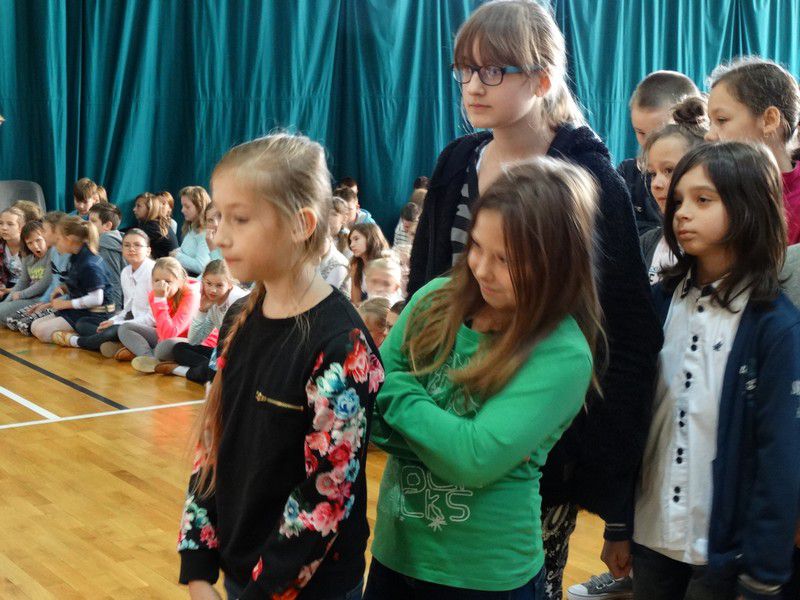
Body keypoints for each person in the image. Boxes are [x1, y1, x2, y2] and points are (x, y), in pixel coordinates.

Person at [406, 3, 662, 597]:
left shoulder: (588, 178)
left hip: (538, 444)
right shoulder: (456, 161)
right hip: (445, 418)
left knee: (517, 580)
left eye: (494, 71)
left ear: (543, 79)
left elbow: (626, 334)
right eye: (465, 70)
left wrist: (599, 477)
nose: (473, 86)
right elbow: (424, 291)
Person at [364, 157, 600, 599]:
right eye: (476, 246)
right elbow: (370, 411)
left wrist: (398, 391)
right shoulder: (436, 299)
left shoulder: (562, 353)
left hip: (486, 577)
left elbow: (471, 458)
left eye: (506, 259)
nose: (482, 269)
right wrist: (440, 438)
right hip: (397, 555)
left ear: (557, 263)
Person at [177, 133, 383, 600]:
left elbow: (326, 494)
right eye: (218, 217)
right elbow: (213, 443)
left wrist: (260, 592)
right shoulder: (241, 316)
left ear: (300, 224)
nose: (219, 236)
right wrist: (198, 564)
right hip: (242, 575)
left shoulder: (341, 345)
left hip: (307, 588)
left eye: (240, 219)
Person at [631, 141, 800, 600]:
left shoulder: (775, 327)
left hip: (723, 552)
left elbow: (779, 456)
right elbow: (635, 420)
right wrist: (617, 525)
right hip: (651, 533)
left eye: (703, 200)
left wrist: (764, 572)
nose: (681, 213)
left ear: (747, 208)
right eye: (679, 200)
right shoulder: (660, 301)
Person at [706, 56, 800, 244]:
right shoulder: (710, 187)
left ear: (769, 120)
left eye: (722, 120)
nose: (709, 135)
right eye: (710, 122)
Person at [618, 71, 701, 235]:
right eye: (640, 132)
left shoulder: (708, 175)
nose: (647, 143)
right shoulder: (627, 173)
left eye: (658, 133)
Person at [52, 228, 155, 354]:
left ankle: (78, 342)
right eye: (127, 245)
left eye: (137, 245)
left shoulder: (153, 273)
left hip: (151, 327)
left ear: (148, 250)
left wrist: (119, 323)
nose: (131, 249)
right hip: (131, 323)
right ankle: (120, 345)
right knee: (82, 323)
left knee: (118, 329)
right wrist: (114, 320)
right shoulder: (126, 272)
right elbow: (127, 309)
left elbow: (152, 318)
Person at [30, 216, 115, 343]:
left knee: (42, 331)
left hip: (95, 314)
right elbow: (81, 284)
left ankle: (83, 337)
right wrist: (64, 288)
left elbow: (96, 299)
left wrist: (66, 304)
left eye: (59, 239)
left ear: (69, 240)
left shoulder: (89, 264)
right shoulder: (75, 257)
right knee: (35, 326)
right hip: (80, 310)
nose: (56, 243)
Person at [174, 186, 212, 276]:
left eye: (187, 207)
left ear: (200, 207)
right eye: (182, 206)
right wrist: (178, 251)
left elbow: (201, 266)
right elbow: (188, 251)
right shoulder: (193, 227)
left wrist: (177, 256)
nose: (182, 210)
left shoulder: (204, 233)